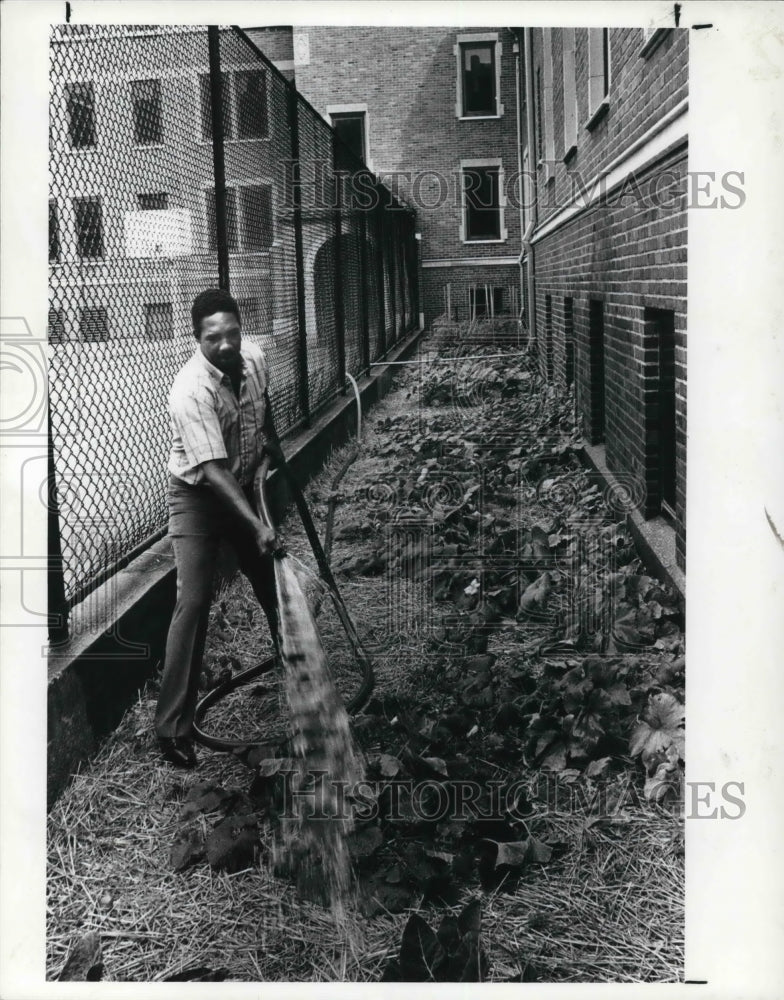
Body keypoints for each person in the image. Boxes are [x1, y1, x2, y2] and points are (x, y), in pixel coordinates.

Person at [155, 288, 282, 768]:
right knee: (193, 601)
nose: (226, 345)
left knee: (270, 577)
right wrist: (256, 525)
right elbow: (211, 471)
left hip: (245, 483)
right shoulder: (190, 391)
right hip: (198, 497)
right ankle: (172, 730)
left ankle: (297, 664)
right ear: (197, 339)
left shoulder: (254, 358)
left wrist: (272, 445)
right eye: (214, 338)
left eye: (232, 333)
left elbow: (263, 407)